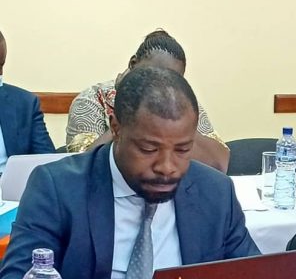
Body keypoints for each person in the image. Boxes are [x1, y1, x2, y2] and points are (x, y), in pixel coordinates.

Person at [0, 66, 259, 279]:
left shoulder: (215, 191)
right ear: (116, 128)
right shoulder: (58, 188)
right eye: (148, 149)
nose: (167, 167)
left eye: (183, 150)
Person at [66, 29, 229, 173]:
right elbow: (81, 167)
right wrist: (128, 110)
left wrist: (181, 126)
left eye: (170, 79)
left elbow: (220, 163)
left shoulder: (181, 103)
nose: (159, 88)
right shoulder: (93, 99)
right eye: (151, 74)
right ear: (133, 64)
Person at [0, 29, 54, 172]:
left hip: (12, 184)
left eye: (1, 65)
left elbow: (48, 163)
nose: (1, 74)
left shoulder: (25, 103)